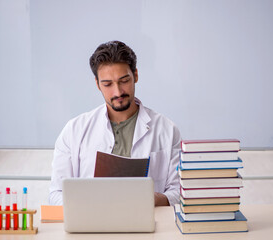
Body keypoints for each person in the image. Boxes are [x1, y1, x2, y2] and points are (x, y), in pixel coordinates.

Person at [49, 41, 181, 206]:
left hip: (147, 224)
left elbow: (178, 192)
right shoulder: (74, 130)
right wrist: (86, 204)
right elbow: (56, 194)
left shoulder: (167, 129)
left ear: (136, 76)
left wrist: (154, 199)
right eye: (108, 84)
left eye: (124, 80)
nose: (118, 92)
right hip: (91, 226)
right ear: (97, 84)